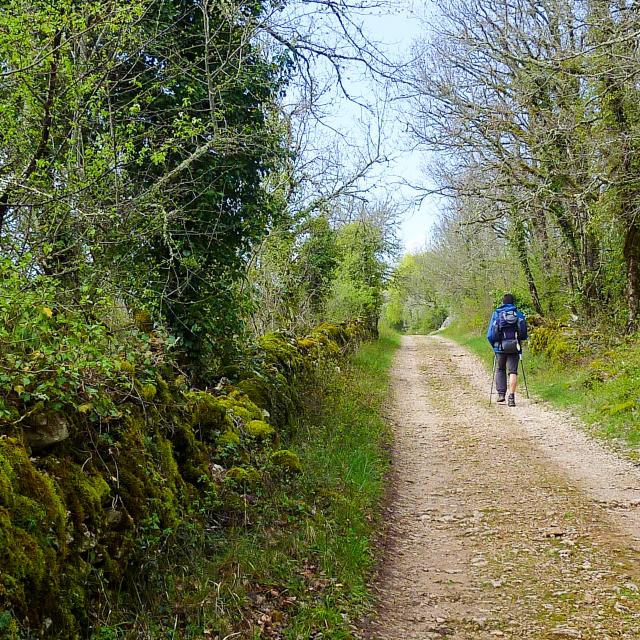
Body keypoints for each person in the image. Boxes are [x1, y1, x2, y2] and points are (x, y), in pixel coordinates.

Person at [486, 293, 528, 407]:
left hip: (500, 347)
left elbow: (490, 334)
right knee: (513, 371)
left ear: (503, 302)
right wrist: (519, 342)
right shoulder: (518, 314)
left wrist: (494, 346)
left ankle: (501, 395)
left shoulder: (497, 313)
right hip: (514, 347)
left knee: (500, 369)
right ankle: (511, 397)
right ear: (513, 302)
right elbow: (523, 334)